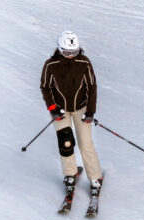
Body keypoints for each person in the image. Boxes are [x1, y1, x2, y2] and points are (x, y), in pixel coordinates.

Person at [40, 30, 103, 197]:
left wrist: (90, 111)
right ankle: (70, 174)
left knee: (85, 143)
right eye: (67, 52)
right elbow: (45, 87)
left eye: (74, 52)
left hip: (81, 108)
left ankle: (95, 177)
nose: (71, 55)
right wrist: (53, 109)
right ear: (60, 49)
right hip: (60, 110)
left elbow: (92, 87)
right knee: (65, 142)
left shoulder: (84, 62)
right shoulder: (50, 65)